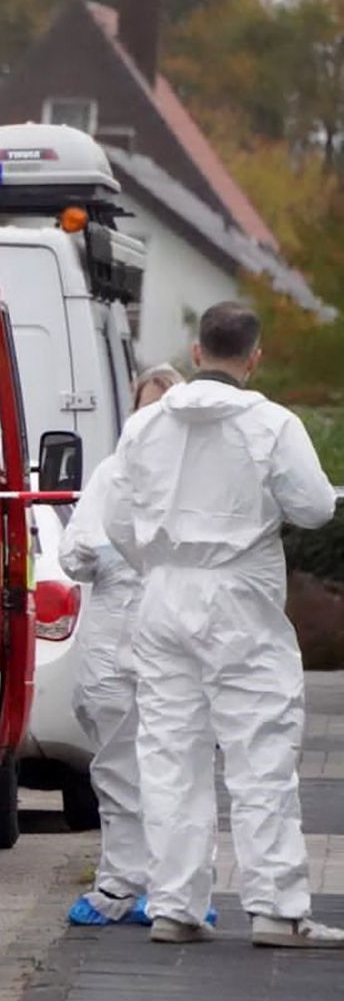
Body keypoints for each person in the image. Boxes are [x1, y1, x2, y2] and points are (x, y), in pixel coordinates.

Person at [104, 303, 341, 946]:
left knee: (170, 754)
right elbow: (317, 509)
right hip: (239, 597)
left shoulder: (146, 426)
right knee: (260, 750)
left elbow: (118, 520)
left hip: (162, 596)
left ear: (196, 351)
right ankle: (275, 908)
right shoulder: (272, 424)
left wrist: (157, 564)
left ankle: (176, 906)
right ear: (254, 357)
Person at [58, 363, 184, 926]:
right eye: (146, 407)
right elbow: (73, 550)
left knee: (175, 771)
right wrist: (104, 553)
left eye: (165, 408)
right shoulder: (113, 474)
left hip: (174, 641)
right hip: (113, 643)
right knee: (115, 770)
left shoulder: (196, 478)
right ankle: (118, 885)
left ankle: (174, 889)